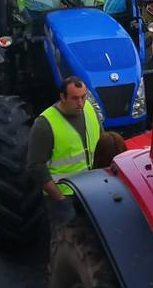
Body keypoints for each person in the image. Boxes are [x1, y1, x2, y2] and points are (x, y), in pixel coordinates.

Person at [26, 76, 100, 229]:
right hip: (65, 197)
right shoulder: (45, 124)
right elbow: (35, 166)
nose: (80, 103)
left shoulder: (90, 110)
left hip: (91, 191)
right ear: (62, 97)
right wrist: (58, 198)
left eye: (83, 97)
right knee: (66, 244)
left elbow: (101, 143)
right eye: (75, 98)